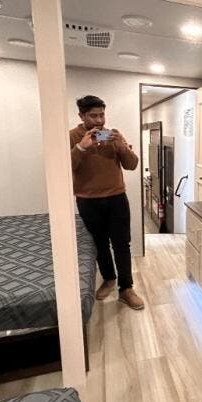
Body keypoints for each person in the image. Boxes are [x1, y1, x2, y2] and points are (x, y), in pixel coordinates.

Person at [70, 95, 145, 310]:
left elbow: (132, 165)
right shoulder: (72, 136)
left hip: (116, 198)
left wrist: (122, 146)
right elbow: (64, 168)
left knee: (122, 243)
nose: (99, 120)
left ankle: (126, 288)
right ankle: (109, 279)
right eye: (93, 116)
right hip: (87, 200)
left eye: (102, 115)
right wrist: (81, 147)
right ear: (82, 116)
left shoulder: (113, 135)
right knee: (99, 244)